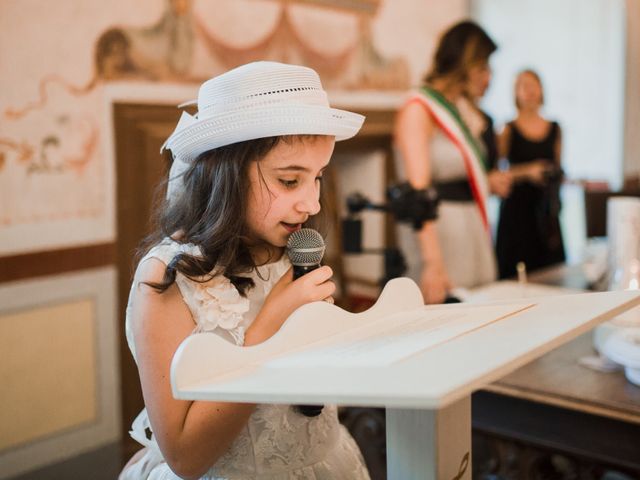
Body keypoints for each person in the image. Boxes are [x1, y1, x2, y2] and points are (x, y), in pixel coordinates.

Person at [119, 61, 370, 480]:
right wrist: (270, 326)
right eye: (290, 181)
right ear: (226, 174)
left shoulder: (290, 249)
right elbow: (185, 457)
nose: (312, 204)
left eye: (318, 178)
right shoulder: (168, 279)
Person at [394, 21, 502, 304]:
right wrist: (433, 263)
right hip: (440, 236)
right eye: (482, 68)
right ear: (462, 66)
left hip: (471, 229)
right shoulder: (420, 109)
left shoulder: (462, 111)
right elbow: (419, 194)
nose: (488, 77)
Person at [495, 69, 565, 279]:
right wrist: (527, 172)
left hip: (545, 212)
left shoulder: (555, 129)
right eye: (523, 86)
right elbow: (498, 173)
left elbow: (559, 166)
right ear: (516, 93)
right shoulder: (507, 129)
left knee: (550, 273)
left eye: (533, 85)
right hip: (517, 213)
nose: (529, 91)